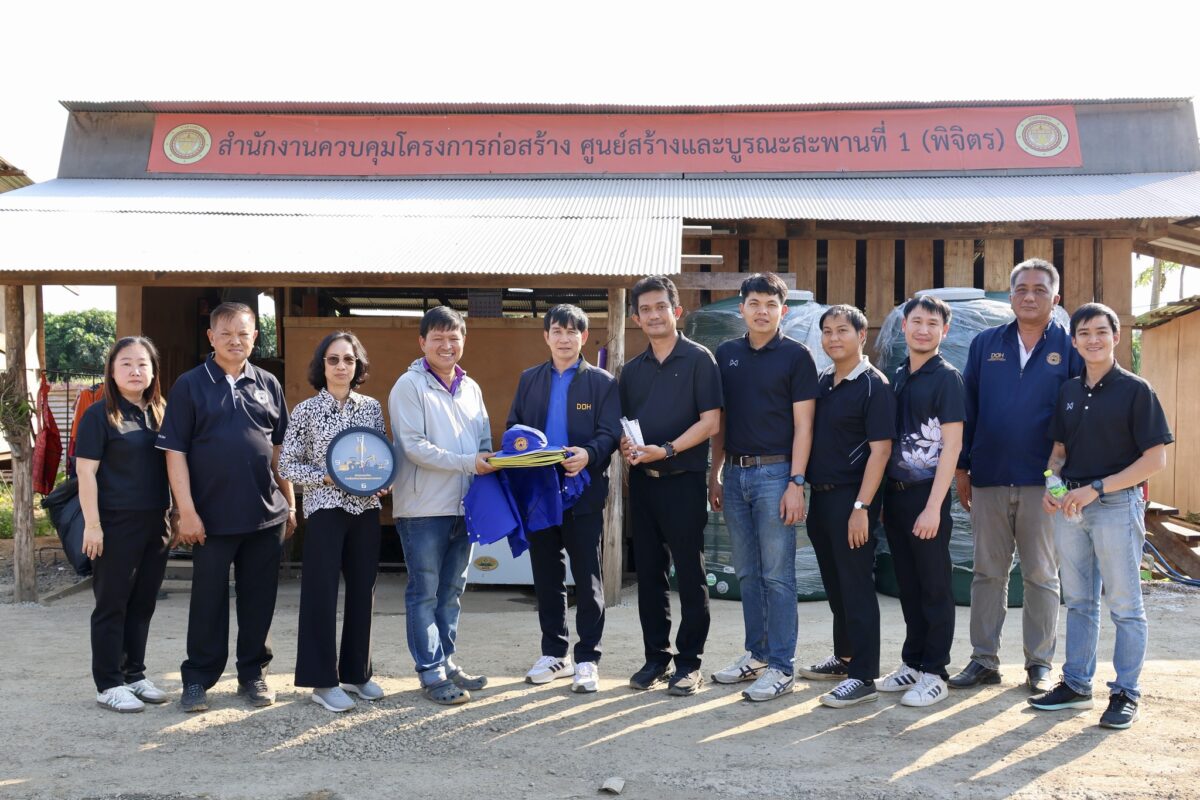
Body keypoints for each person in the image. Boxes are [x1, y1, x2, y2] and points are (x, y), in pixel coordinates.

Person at [1031, 303, 1172, 729]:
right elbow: (1059, 451)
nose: (1093, 339)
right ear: (1074, 342)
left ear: (1116, 337)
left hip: (1114, 505)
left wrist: (1097, 488)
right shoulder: (1069, 391)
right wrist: (1052, 483)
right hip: (1071, 507)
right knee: (1079, 601)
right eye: (1084, 333)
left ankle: (1126, 692)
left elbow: (1155, 460)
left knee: (1125, 605)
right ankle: (1076, 684)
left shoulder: (1137, 390)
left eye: (1101, 332)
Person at [950, 259, 1082, 693]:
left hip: (1044, 484)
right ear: (1010, 297)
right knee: (987, 572)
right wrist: (963, 466)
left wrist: (1066, 479)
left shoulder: (1070, 348)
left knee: (1042, 574)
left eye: (1039, 290)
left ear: (1055, 299)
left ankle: (1039, 663)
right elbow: (968, 408)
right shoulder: (986, 344)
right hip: (989, 476)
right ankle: (983, 659)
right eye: (1021, 289)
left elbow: (1078, 416)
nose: (1029, 296)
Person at [158, 302, 296, 713]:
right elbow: (175, 452)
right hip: (210, 519)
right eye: (227, 333)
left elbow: (279, 450)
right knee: (207, 601)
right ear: (211, 337)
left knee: (259, 600)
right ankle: (198, 678)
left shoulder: (268, 383)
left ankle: (253, 674)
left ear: (255, 337)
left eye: (244, 333)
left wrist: (289, 504)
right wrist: (186, 511)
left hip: (265, 515)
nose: (236, 341)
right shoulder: (190, 385)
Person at [708, 273, 817, 702]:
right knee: (748, 574)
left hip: (776, 475)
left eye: (771, 304)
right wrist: (715, 473)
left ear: (782, 311)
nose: (762, 311)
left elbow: (805, 426)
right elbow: (720, 421)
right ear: (742, 309)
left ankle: (781, 666)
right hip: (735, 475)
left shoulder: (796, 356)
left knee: (777, 575)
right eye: (754, 303)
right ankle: (756, 655)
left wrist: (796, 482)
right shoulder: (727, 354)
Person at [506, 305, 621, 693]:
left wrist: (588, 453)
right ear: (546, 336)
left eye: (573, 331)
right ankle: (555, 653)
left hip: (583, 490)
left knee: (587, 575)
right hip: (539, 491)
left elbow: (610, 433)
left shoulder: (602, 382)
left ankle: (587, 658)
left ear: (584, 337)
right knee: (546, 574)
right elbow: (514, 427)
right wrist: (522, 451)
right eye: (557, 330)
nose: (565, 338)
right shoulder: (529, 379)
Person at [619, 275, 723, 696]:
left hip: (683, 482)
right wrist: (628, 446)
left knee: (691, 574)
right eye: (645, 309)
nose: (654, 315)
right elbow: (626, 426)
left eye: (661, 306)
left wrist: (666, 449)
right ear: (636, 318)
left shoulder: (699, 359)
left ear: (676, 311)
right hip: (643, 484)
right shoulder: (631, 371)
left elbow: (711, 422)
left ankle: (689, 662)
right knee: (649, 575)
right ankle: (656, 658)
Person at [390, 306, 494, 705]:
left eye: (454, 337)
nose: (447, 345)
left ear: (463, 340)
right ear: (422, 342)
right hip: (423, 509)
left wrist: (488, 468)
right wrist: (469, 463)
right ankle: (431, 672)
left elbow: (483, 441)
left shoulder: (472, 388)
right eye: (438, 338)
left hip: (463, 508)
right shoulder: (409, 386)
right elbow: (414, 447)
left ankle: (447, 661)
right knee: (425, 593)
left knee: (451, 591)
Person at [279, 332, 388, 712]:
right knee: (320, 593)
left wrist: (383, 479)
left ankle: (357, 673)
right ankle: (322, 681)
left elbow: (380, 456)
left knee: (363, 590)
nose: (342, 366)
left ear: (358, 366)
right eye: (334, 359)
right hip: (325, 509)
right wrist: (325, 477)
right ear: (321, 365)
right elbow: (286, 465)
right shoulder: (305, 411)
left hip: (365, 509)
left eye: (349, 359)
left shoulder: (371, 408)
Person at [799, 305, 895, 709]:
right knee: (836, 586)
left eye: (842, 330)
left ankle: (864, 676)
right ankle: (845, 658)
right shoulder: (823, 381)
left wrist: (862, 507)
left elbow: (881, 451)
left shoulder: (874, 385)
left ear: (862, 336)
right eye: (827, 331)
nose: (833, 338)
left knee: (856, 587)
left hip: (852, 498)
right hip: (821, 498)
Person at [877, 295, 965, 708]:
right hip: (895, 495)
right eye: (916, 321)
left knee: (934, 586)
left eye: (932, 323)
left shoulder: (947, 378)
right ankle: (912, 662)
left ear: (944, 331)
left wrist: (933, 506)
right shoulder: (898, 374)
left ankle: (935, 671)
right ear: (904, 326)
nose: (923, 329)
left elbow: (952, 446)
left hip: (927, 496)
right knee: (908, 585)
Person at [77, 336, 172, 712]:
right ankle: (108, 683)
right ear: (112, 372)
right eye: (126, 364)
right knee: (112, 603)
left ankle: (134, 674)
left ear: (153, 371)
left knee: (143, 602)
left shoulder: (162, 411)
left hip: (157, 522)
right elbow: (85, 473)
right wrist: (92, 525)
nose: (135, 371)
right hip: (114, 523)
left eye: (142, 364)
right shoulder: (98, 415)